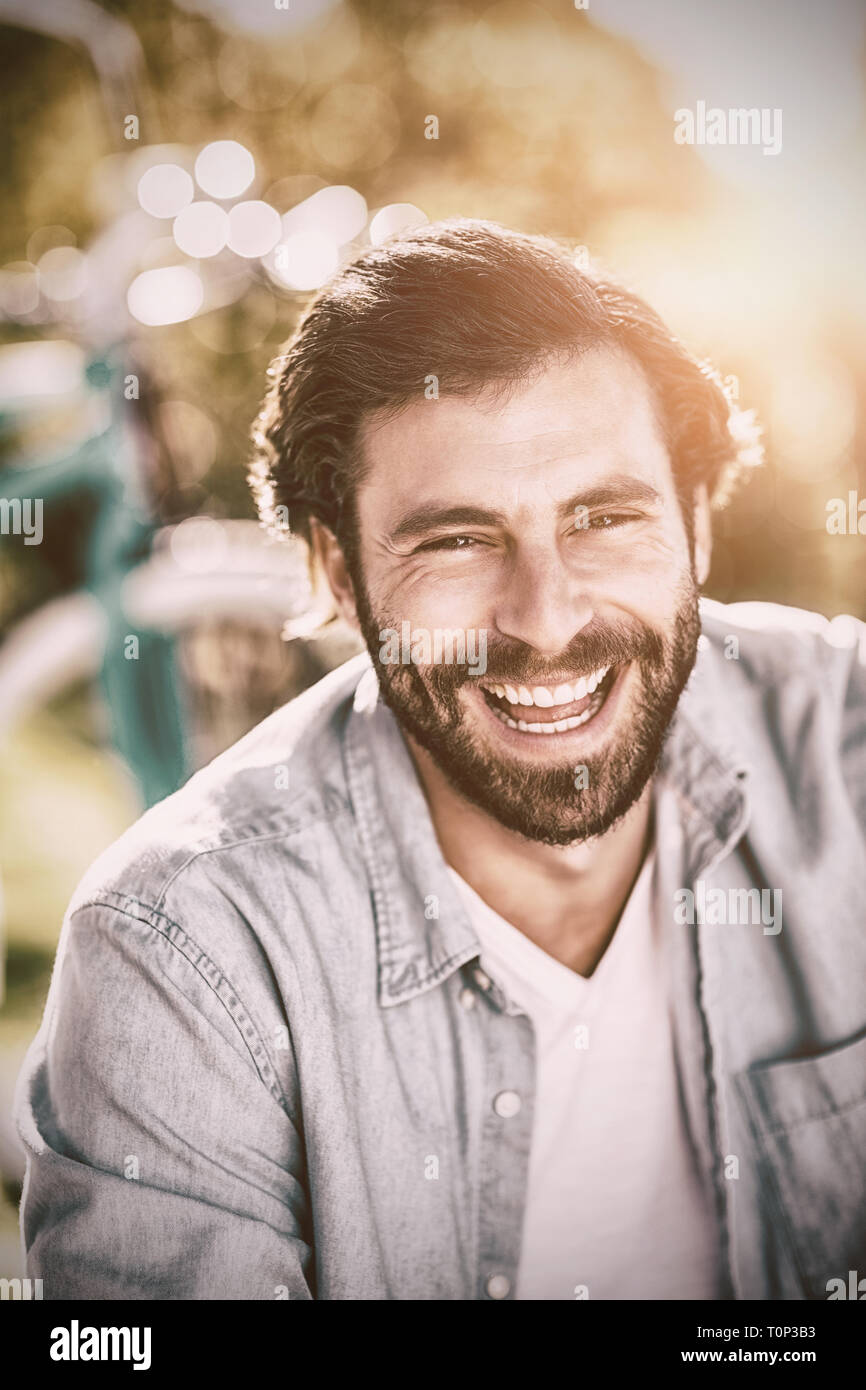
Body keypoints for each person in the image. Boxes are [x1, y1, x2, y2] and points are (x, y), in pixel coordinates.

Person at [15, 220, 866, 1300]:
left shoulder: (845, 744)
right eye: (455, 539)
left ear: (693, 526)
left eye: (603, 517)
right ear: (334, 566)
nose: (544, 619)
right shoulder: (180, 956)